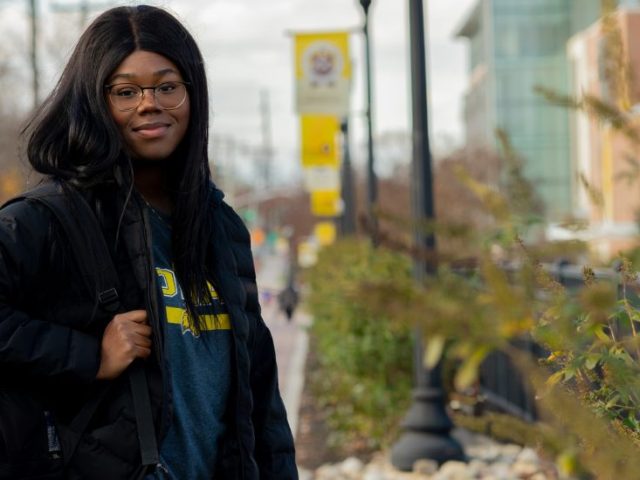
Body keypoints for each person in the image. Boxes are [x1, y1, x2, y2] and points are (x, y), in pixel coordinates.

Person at [0, 5, 297, 479]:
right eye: (125, 91)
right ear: (95, 102)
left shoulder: (221, 227)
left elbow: (260, 396)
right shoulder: (47, 221)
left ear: (192, 96)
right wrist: (88, 356)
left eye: (166, 86)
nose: (149, 103)